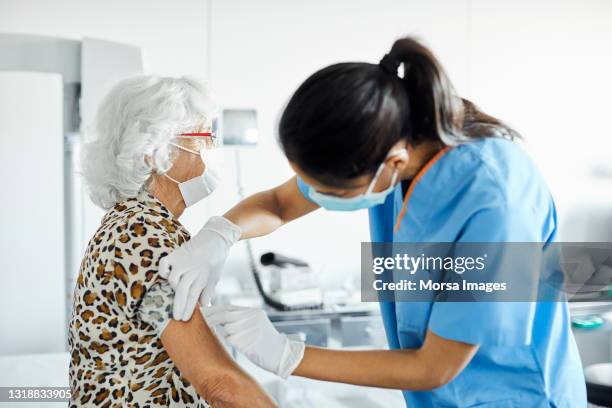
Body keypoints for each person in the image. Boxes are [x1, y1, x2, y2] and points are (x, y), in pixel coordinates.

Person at [161, 38, 586, 407]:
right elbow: (278, 203)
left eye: (328, 190)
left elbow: (434, 367)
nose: (314, 196)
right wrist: (219, 235)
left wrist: (287, 354)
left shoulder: (495, 202)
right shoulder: (391, 152)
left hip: (515, 397)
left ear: (390, 164)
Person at [68, 75, 276, 407]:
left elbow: (154, 329)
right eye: (202, 137)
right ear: (153, 154)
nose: (211, 150)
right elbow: (219, 383)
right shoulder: (141, 237)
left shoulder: (135, 225)